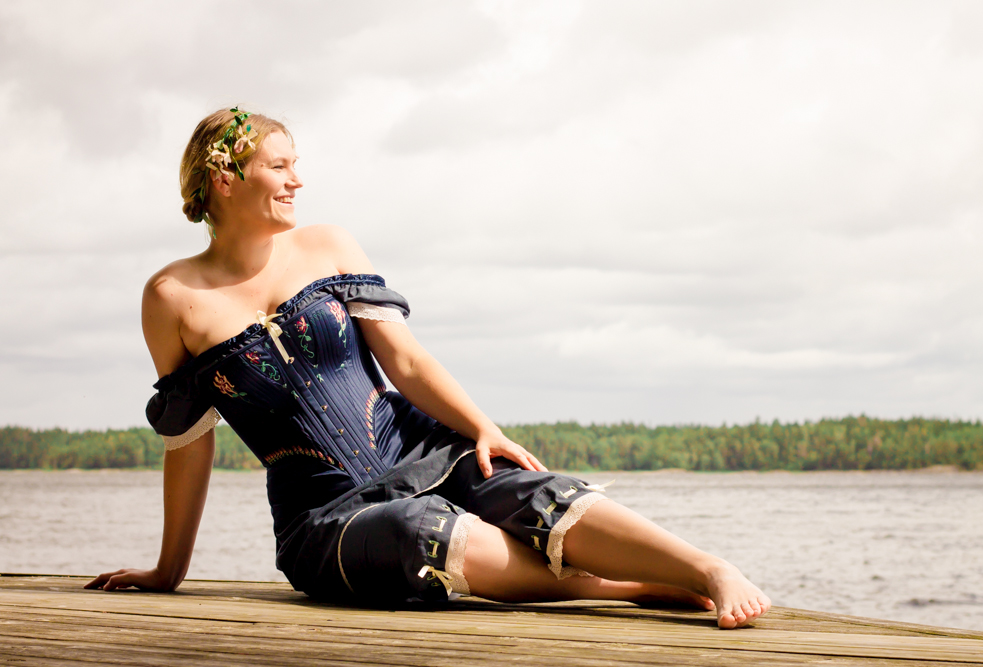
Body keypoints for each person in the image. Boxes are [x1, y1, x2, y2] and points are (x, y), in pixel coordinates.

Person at [86, 108, 771, 629]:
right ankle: (611, 588)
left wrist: (481, 426)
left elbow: (405, 359)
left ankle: (708, 568)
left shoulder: (327, 245)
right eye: (280, 165)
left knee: (529, 487)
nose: (299, 179)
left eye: (298, 163)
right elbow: (188, 440)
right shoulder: (172, 298)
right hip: (323, 518)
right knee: (422, 532)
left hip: (416, 447)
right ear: (225, 177)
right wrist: (168, 570)